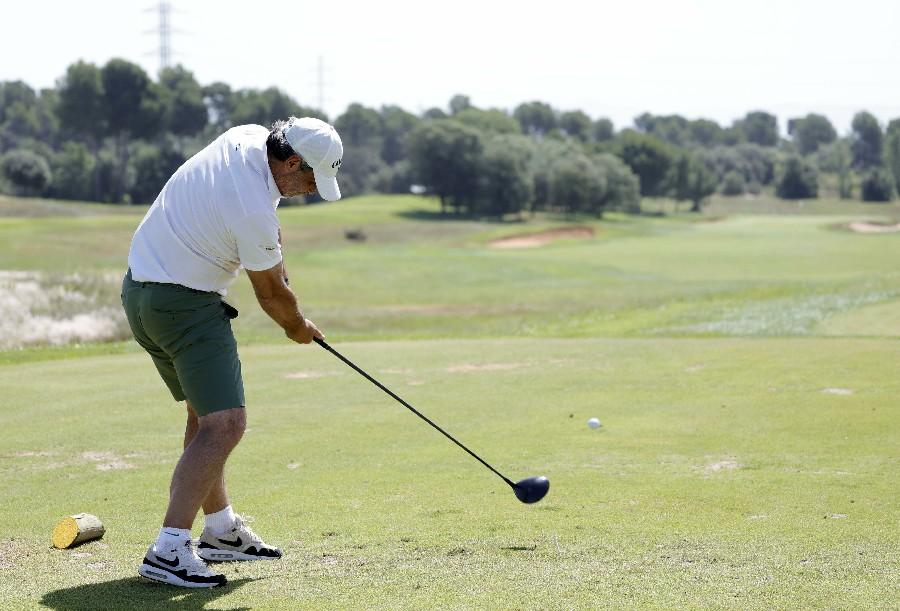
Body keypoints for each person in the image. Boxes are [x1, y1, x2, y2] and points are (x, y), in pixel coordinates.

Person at [121, 116, 343, 588]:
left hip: (141, 292)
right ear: (293, 162)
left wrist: (279, 268)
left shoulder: (247, 136)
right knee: (226, 424)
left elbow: (270, 241)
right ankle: (169, 550)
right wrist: (298, 327)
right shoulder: (252, 211)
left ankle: (220, 530)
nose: (310, 189)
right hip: (185, 304)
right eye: (310, 178)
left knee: (204, 417)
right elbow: (271, 296)